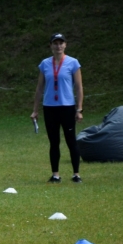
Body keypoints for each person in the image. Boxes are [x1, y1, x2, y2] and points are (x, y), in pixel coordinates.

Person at [31, 33, 84, 183]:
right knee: (54, 141)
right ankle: (55, 174)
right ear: (51, 46)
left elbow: (79, 87)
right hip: (50, 107)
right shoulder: (45, 64)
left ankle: (76, 174)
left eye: (61, 43)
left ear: (65, 45)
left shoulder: (73, 63)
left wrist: (79, 109)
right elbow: (39, 88)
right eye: (55, 43)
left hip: (67, 106)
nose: (58, 46)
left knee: (71, 140)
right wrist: (35, 109)